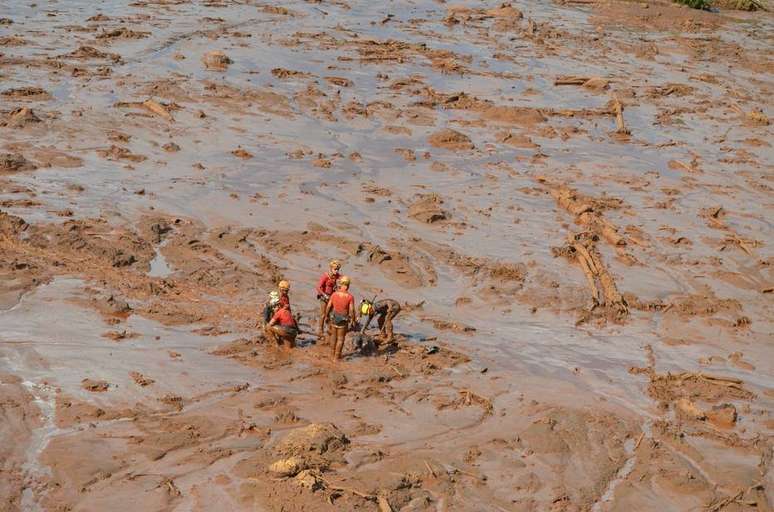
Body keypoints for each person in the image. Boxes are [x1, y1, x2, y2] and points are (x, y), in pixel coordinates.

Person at [323, 275, 355, 361]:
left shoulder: (334, 294)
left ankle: (332, 354)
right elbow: (352, 310)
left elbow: (329, 306)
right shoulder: (349, 297)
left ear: (341, 284)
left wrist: (326, 316)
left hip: (334, 317)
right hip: (343, 319)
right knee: (340, 339)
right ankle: (336, 357)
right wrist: (353, 320)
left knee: (333, 336)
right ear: (347, 285)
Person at [315, 260, 341, 337]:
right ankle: (320, 330)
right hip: (324, 297)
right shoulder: (325, 276)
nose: (336, 271)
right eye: (335, 269)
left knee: (331, 314)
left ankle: (329, 329)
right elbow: (318, 287)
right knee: (323, 314)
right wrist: (324, 295)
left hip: (332, 297)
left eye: (338, 269)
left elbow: (342, 278)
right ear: (331, 268)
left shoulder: (337, 276)